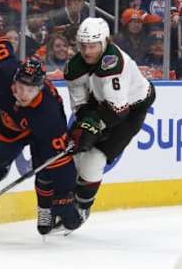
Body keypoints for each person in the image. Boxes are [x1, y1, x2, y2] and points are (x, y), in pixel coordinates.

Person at [0, 36, 81, 235]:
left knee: (45, 168)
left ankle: (45, 209)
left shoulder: (48, 115)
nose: (23, 94)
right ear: (14, 79)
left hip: (40, 133)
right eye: (20, 87)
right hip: (10, 128)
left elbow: (61, 161)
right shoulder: (3, 71)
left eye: (30, 90)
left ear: (39, 88)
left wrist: (65, 199)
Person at [64, 17, 156, 224]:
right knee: (75, 153)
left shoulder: (114, 63)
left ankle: (82, 208)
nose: (87, 52)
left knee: (94, 158)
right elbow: (81, 105)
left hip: (131, 109)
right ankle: (67, 199)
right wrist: (86, 123)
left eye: (93, 46)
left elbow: (118, 111)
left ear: (105, 42)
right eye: (83, 46)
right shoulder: (74, 68)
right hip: (103, 105)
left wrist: (92, 127)